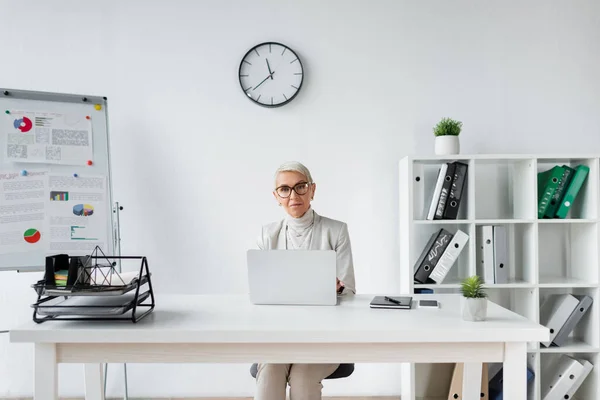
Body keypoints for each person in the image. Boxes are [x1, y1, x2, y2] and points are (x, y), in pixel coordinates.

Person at [255, 161, 356, 400]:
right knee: (269, 373)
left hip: (325, 337)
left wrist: (337, 290)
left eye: (300, 187)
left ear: (312, 189)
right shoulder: (267, 235)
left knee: (302, 377)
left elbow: (350, 291)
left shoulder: (336, 230)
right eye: (285, 189)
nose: (293, 195)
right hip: (279, 336)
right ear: (276, 196)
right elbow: (260, 294)